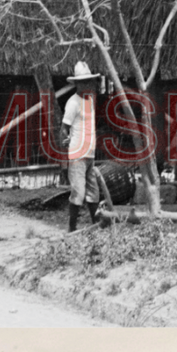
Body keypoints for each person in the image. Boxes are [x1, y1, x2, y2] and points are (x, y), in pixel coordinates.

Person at [61, 61, 103, 232]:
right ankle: (72, 229)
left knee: (93, 193)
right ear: (77, 84)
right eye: (83, 82)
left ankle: (96, 226)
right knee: (78, 193)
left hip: (90, 154)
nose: (87, 85)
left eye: (89, 81)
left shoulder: (90, 101)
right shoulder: (73, 103)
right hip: (78, 154)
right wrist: (66, 149)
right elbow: (64, 129)